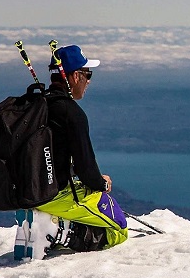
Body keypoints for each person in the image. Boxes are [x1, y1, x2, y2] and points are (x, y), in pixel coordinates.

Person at [30, 44, 129, 256]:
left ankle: (48, 225)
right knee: (118, 229)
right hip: (56, 195)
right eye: (87, 74)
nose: (89, 80)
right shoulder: (72, 114)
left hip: (30, 192)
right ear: (75, 76)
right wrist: (101, 182)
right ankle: (56, 232)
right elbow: (86, 168)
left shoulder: (38, 106)